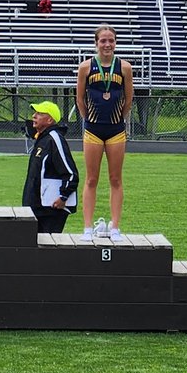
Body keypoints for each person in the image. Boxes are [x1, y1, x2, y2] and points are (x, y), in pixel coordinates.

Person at [76, 24, 134, 241]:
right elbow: (80, 98)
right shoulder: (86, 67)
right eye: (103, 40)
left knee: (115, 179)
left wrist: (120, 117)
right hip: (92, 130)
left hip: (116, 130)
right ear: (96, 43)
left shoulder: (124, 68)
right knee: (91, 179)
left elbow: (129, 99)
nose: (107, 44)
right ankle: (88, 227)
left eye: (111, 40)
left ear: (115, 42)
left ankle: (115, 226)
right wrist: (88, 118)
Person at [22, 101, 79, 234]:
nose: (34, 116)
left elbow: (71, 173)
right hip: (38, 207)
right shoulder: (42, 139)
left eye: (39, 113)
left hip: (51, 210)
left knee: (48, 249)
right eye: (35, 113)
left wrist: (63, 197)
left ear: (49, 120)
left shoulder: (54, 139)